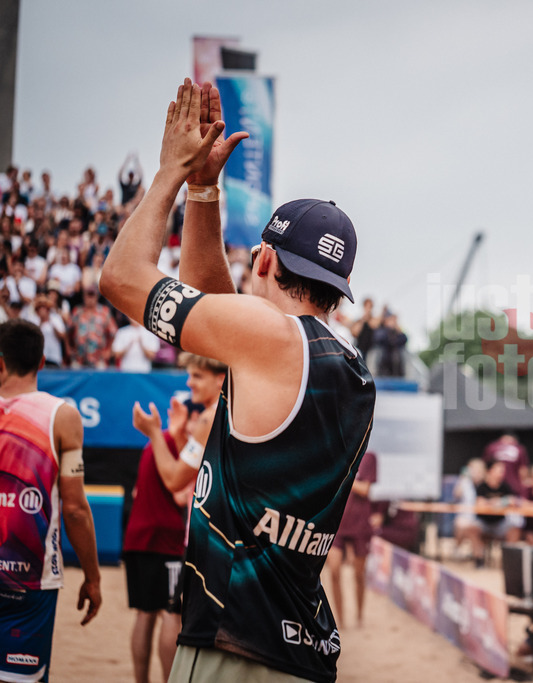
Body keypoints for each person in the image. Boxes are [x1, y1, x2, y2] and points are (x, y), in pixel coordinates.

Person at [99, 78, 376, 682]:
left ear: (266, 261)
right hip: (299, 647)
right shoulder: (348, 364)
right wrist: (205, 191)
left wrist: (171, 172)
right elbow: (218, 319)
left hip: (235, 644)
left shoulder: (269, 337)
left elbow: (120, 277)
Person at [0, 319, 102, 682]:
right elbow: (74, 509)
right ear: (43, 362)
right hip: (30, 580)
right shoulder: (63, 416)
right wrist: (93, 578)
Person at [123, 352, 226, 683]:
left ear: (220, 379)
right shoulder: (233, 415)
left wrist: (154, 433)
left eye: (196, 375)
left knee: (172, 613)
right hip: (219, 537)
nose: (188, 382)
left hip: (200, 538)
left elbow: (175, 480)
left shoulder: (211, 417)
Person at [325, 451, 377, 629]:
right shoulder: (336, 454)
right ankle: (340, 621)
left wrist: (345, 476)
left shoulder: (369, 457)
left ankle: (360, 617)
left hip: (360, 524)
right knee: (334, 571)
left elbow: (365, 490)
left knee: (359, 574)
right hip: (337, 523)